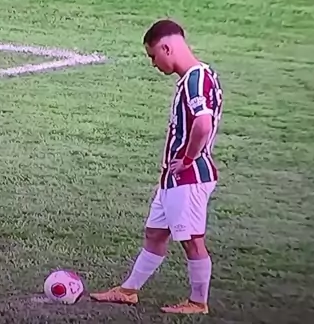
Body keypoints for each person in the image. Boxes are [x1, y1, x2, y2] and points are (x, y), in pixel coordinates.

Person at [89, 19, 224, 315]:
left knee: (192, 241)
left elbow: (203, 124)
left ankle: (198, 302)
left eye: (153, 56)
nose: (153, 64)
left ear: (167, 48)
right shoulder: (199, 76)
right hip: (173, 179)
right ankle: (128, 291)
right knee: (155, 233)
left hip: (188, 177)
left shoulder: (196, 79)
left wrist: (187, 159)